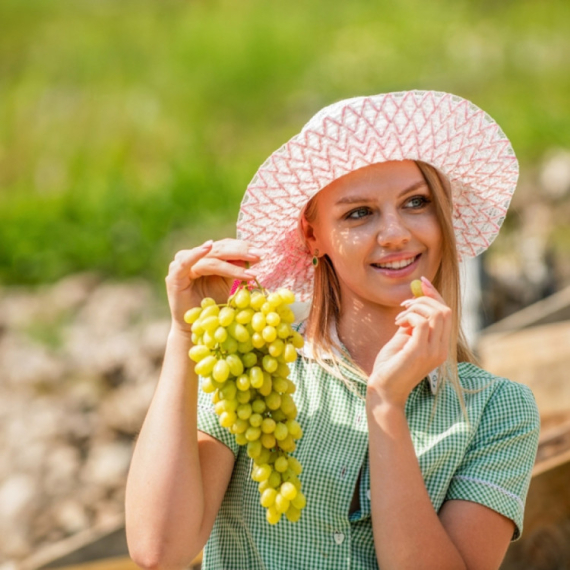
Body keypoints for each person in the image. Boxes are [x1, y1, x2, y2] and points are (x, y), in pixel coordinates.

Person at [125, 90, 540, 570]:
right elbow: (158, 549)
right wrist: (184, 336)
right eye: (358, 213)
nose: (395, 233)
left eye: (416, 202)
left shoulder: (496, 411)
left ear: (442, 215)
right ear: (312, 234)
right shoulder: (260, 368)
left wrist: (386, 405)